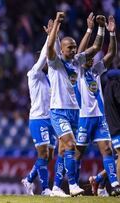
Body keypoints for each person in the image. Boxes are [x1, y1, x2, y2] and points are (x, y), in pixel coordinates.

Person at [46, 11, 104, 196]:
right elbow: (49, 47)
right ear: (61, 50)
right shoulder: (55, 63)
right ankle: (72, 185)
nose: (73, 50)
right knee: (71, 145)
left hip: (74, 111)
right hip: (58, 111)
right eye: (69, 48)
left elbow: (95, 47)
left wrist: (99, 28)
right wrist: (57, 24)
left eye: (74, 47)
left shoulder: (77, 62)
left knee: (63, 150)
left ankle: (55, 187)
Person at [73, 15, 120, 196]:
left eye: (94, 56)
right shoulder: (78, 69)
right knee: (78, 154)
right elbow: (83, 50)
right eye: (89, 56)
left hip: (100, 117)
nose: (92, 57)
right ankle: (73, 184)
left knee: (107, 149)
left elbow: (111, 54)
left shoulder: (96, 70)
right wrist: (91, 29)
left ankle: (114, 184)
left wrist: (110, 32)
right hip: (84, 117)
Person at [21, 19, 57, 196]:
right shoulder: (33, 74)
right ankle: (45, 189)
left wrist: (53, 38)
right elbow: (45, 55)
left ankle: (28, 180)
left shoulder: (51, 78)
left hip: (52, 120)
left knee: (49, 157)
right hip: (38, 119)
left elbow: (50, 55)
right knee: (43, 154)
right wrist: (50, 36)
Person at [89, 68, 120, 196]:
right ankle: (117, 187)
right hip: (117, 126)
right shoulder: (116, 85)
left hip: (113, 125)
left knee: (118, 158)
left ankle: (97, 179)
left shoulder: (108, 85)